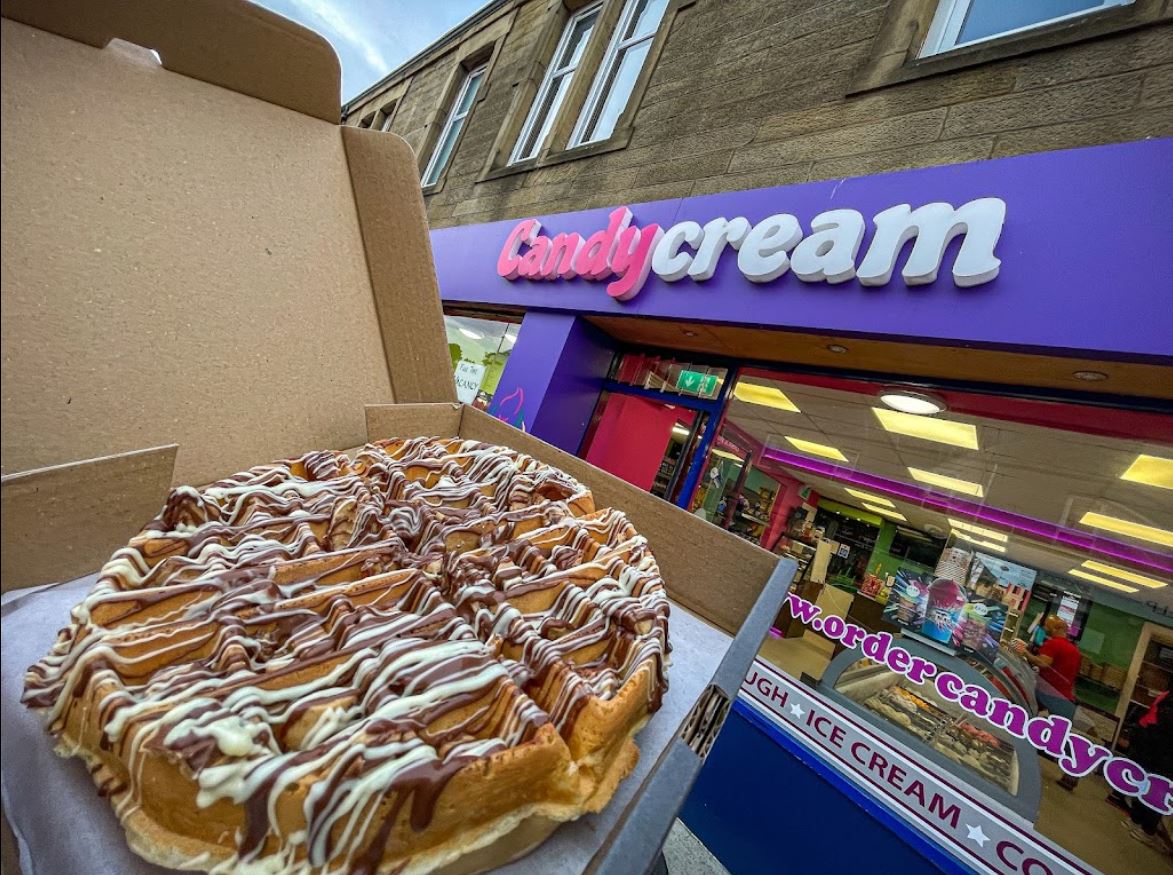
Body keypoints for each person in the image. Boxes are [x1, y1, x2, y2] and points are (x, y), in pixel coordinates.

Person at [1121, 690, 1173, 852]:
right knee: (1159, 789)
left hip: (1149, 739)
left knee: (1147, 784)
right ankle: (1146, 830)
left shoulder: (1168, 694)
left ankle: (1136, 820)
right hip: (1162, 747)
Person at [1017, 615, 1081, 720]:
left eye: (1047, 626)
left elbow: (1042, 663)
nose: (1045, 629)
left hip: (1047, 692)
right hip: (1064, 696)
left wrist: (1024, 652)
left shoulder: (1053, 644)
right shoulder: (1075, 650)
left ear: (1055, 629)